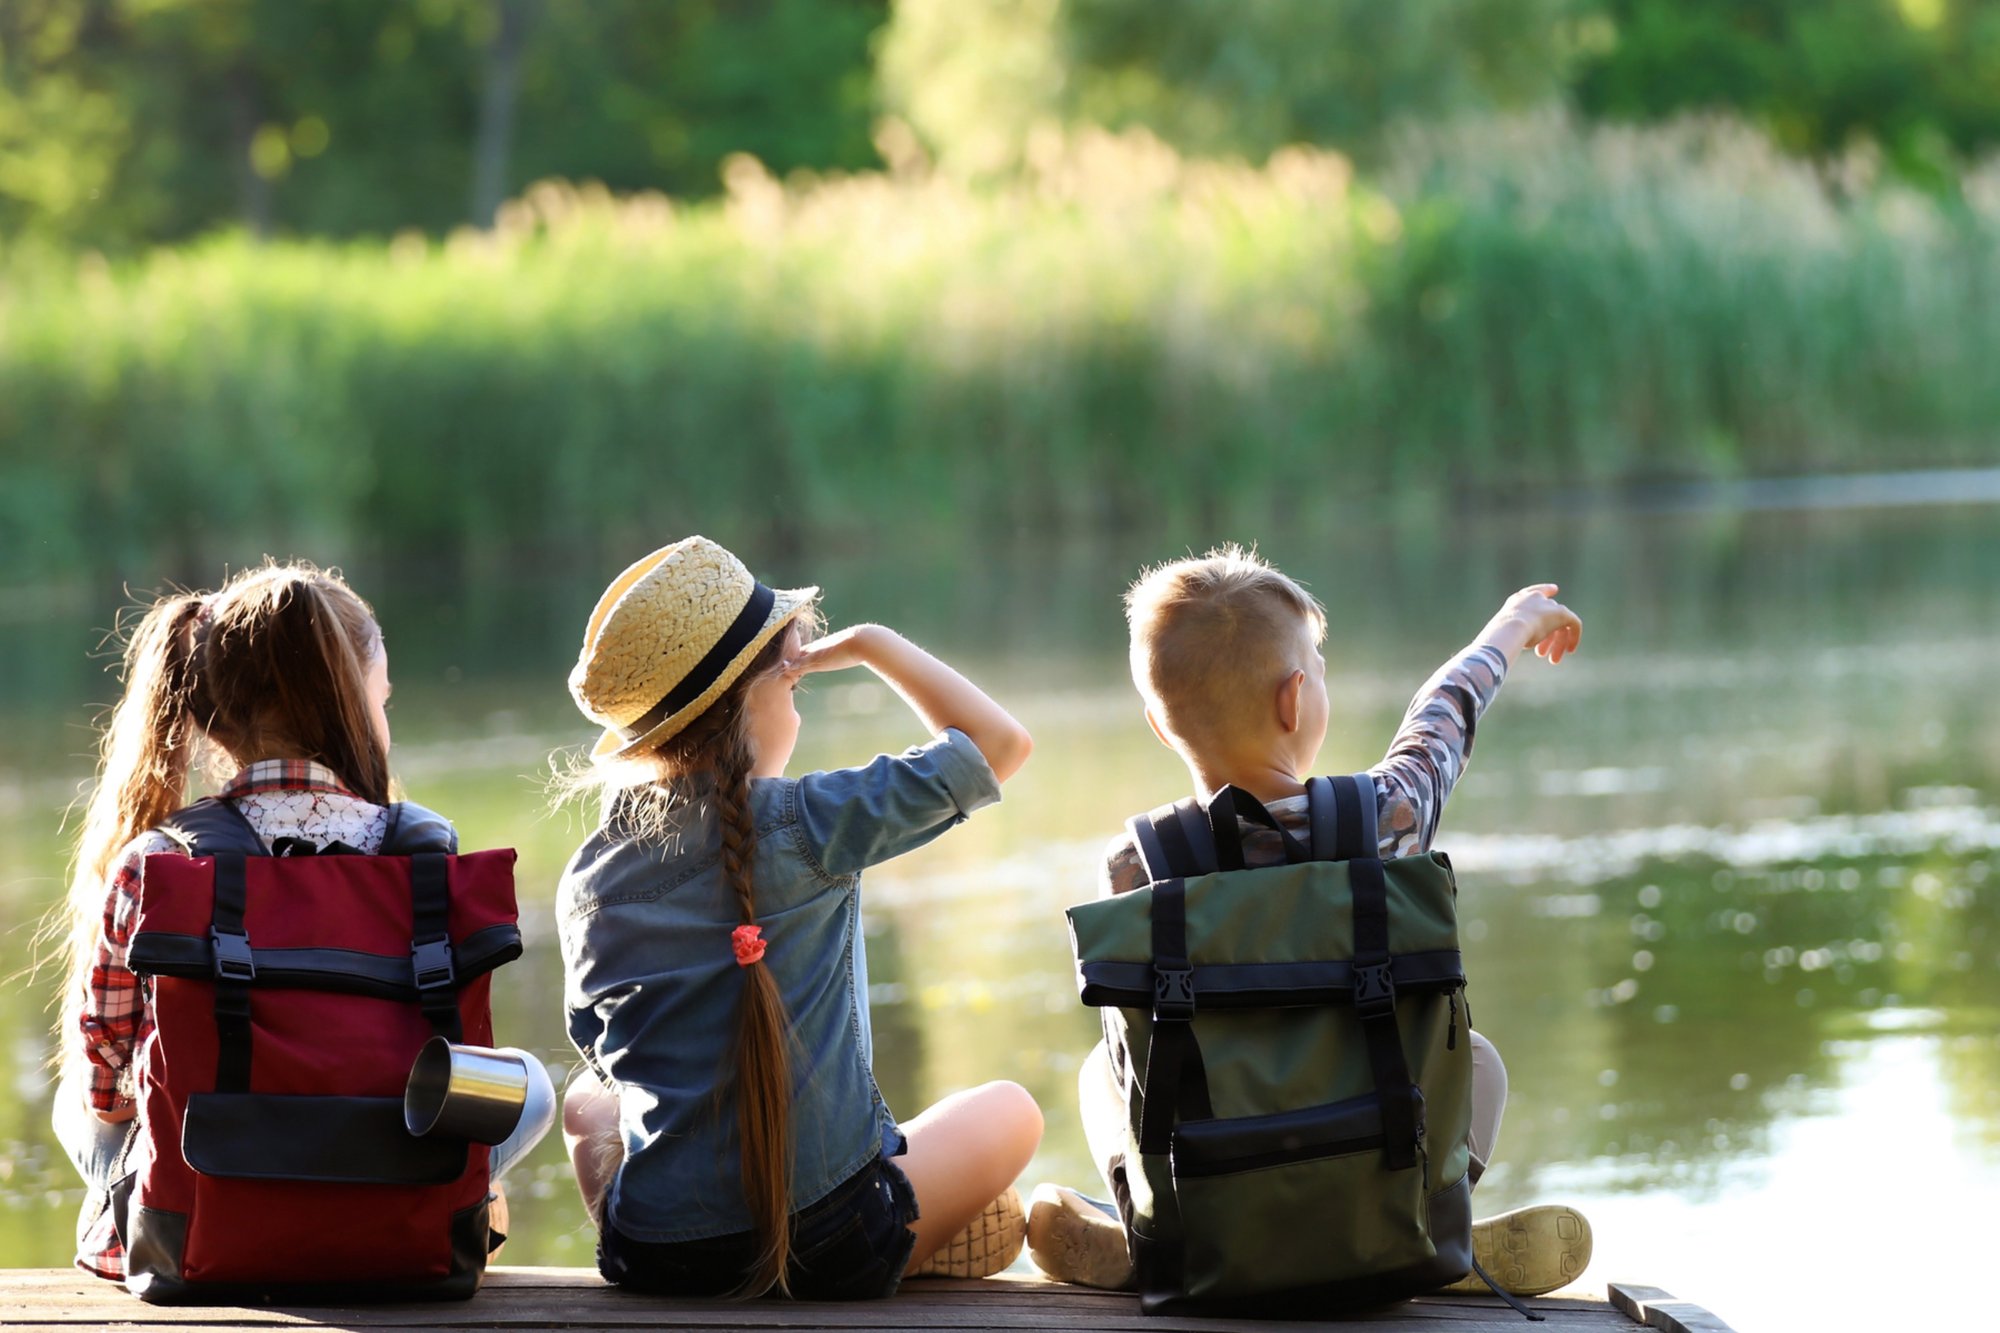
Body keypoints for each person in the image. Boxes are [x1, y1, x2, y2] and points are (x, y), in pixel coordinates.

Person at [1026, 545, 1594, 1298]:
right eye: (1320, 672)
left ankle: (1153, 1234)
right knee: (1477, 1057)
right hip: (1373, 1163)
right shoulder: (1384, 820)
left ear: (1163, 730)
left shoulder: (1137, 863)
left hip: (1213, 1196)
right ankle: (1422, 1220)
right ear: (1296, 700)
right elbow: (1441, 719)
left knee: (1103, 1071)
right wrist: (1512, 624)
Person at [556, 536, 1043, 1300]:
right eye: (793, 686)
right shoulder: (809, 820)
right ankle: (909, 1240)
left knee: (586, 1101)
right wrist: (876, 646)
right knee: (1014, 1110)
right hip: (835, 1239)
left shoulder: (589, 876)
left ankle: (731, 1245)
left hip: (656, 1255)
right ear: (754, 698)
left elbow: (600, 1052)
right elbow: (1000, 745)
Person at [50, 561, 555, 1284]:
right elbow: (457, 1048)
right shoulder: (425, 858)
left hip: (210, 1212)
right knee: (529, 1084)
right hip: (397, 1187)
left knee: (77, 1099)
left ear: (216, 716)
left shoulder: (159, 863)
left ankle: (122, 1223)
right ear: (350, 705)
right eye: (382, 699)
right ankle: (448, 1210)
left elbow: (108, 1086)